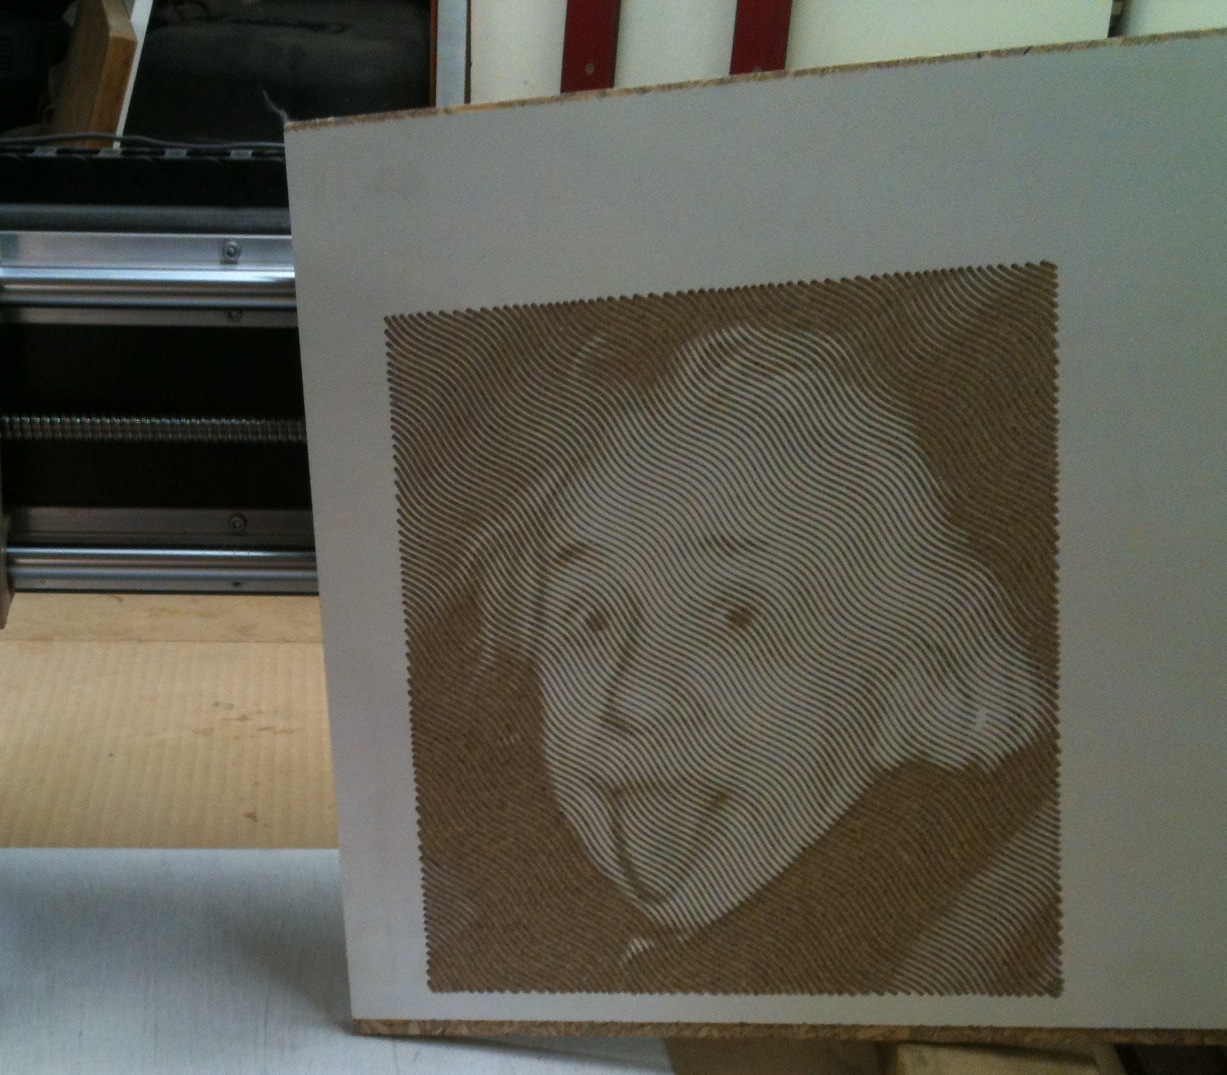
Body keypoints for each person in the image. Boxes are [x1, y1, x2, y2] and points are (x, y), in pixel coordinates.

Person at [408, 307, 1060, 996]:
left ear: (916, 682)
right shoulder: (498, 957)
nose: (631, 695)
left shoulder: (966, 966)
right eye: (592, 618)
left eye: (734, 615)